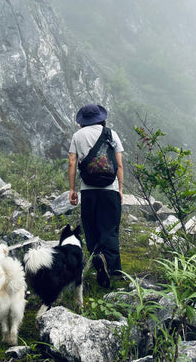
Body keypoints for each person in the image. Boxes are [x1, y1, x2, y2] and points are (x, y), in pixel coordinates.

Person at [68, 103, 124, 288]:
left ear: (82, 121)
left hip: (88, 189)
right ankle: (113, 269)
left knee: (91, 227)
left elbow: (72, 163)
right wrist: (120, 189)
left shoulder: (78, 136)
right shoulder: (111, 134)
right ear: (101, 117)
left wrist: (72, 189)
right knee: (110, 228)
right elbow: (119, 165)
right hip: (110, 189)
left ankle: (98, 259)